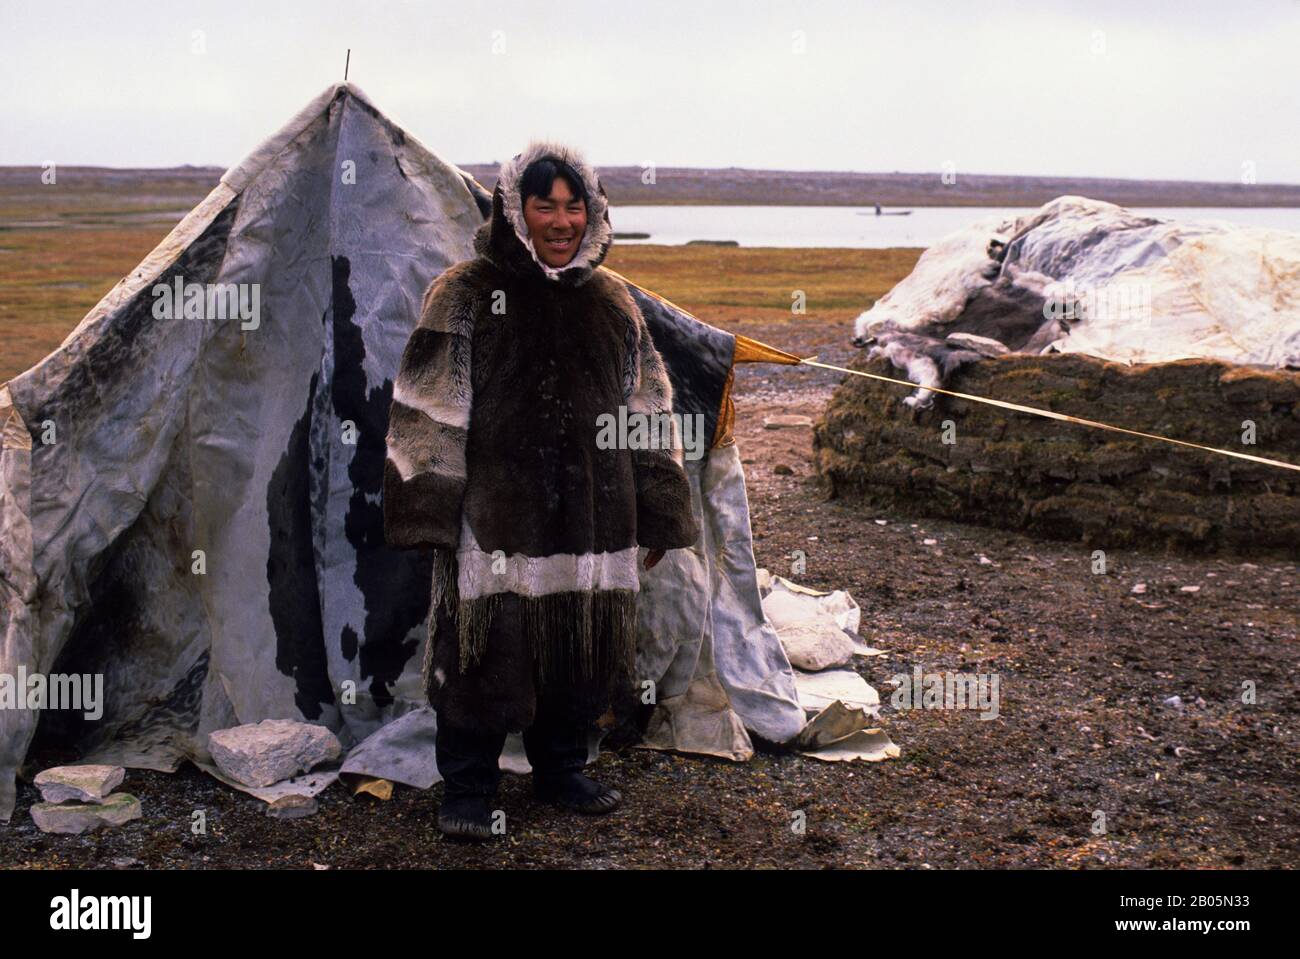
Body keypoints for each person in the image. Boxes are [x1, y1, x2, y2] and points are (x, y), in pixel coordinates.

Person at [382, 141, 700, 840]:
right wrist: (428, 506)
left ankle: (563, 767)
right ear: (515, 211)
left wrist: (659, 507)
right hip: (499, 515)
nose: (561, 220)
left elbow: (647, 406)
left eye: (573, 205)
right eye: (544, 205)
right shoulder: (465, 291)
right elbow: (430, 404)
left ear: (593, 211)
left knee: (583, 642)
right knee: (484, 649)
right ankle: (468, 784)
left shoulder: (613, 302)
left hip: (597, 513)